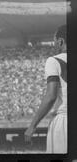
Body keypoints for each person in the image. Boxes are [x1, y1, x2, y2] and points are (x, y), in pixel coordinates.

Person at [24, 25, 67, 153]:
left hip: (64, 121)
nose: (54, 44)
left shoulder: (54, 61)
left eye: (54, 40)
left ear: (60, 41)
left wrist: (32, 126)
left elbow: (51, 96)